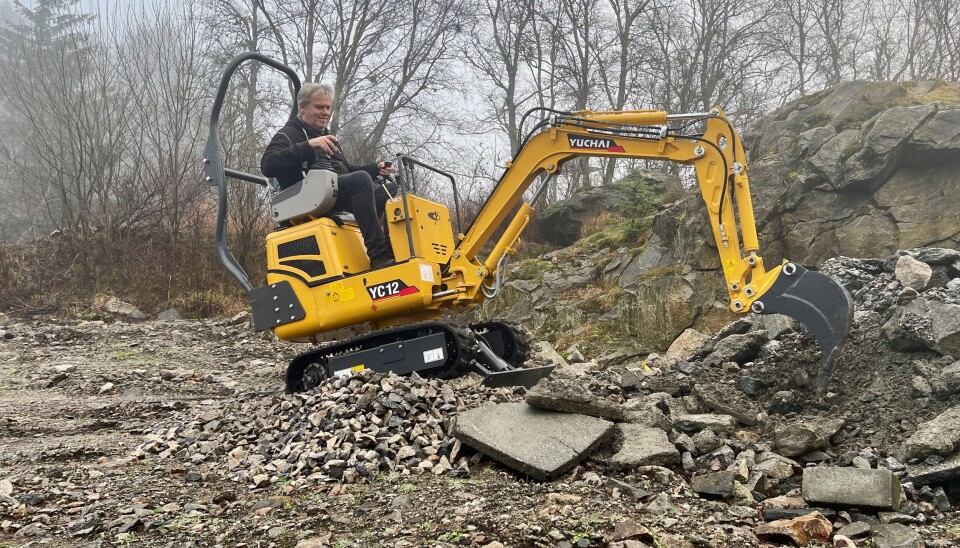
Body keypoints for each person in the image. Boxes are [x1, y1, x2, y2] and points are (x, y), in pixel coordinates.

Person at [261, 83, 397, 269]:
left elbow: (346, 168)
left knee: (390, 191)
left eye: (328, 107)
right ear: (302, 107)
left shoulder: (326, 136)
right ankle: (378, 255)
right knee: (360, 180)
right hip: (308, 195)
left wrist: (375, 168)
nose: (325, 112)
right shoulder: (288, 134)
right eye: (319, 107)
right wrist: (308, 146)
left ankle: (394, 252)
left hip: (332, 191)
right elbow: (268, 164)